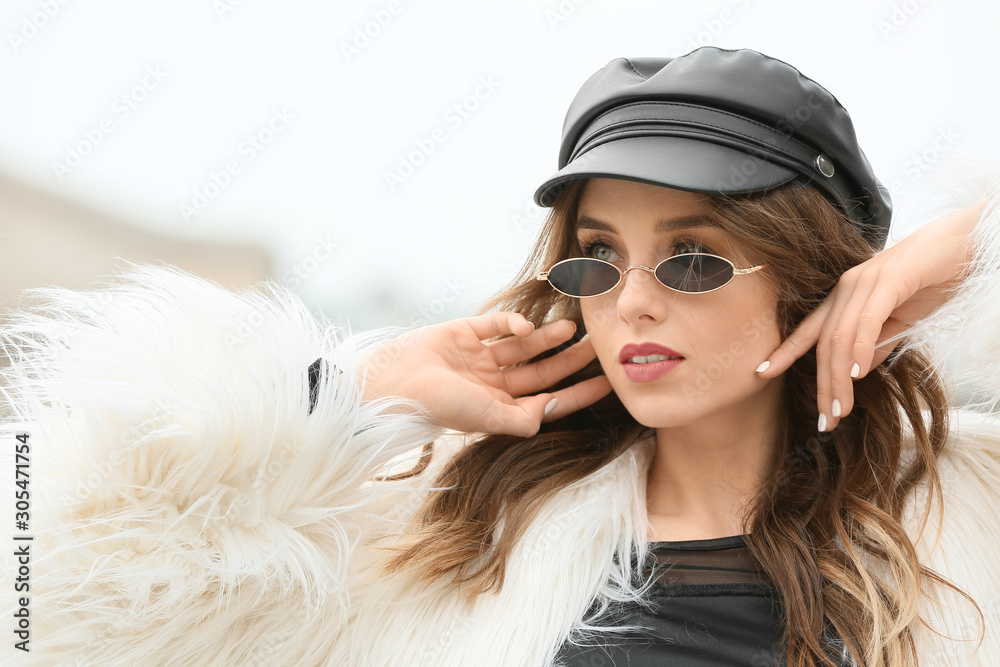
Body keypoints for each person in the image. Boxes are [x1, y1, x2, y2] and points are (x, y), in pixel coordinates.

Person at [3, 46, 999, 666]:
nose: (632, 301)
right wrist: (356, 395)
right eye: (597, 257)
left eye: (691, 259)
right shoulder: (447, 529)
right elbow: (36, 602)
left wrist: (972, 245)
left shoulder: (967, 517)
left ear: (813, 278)